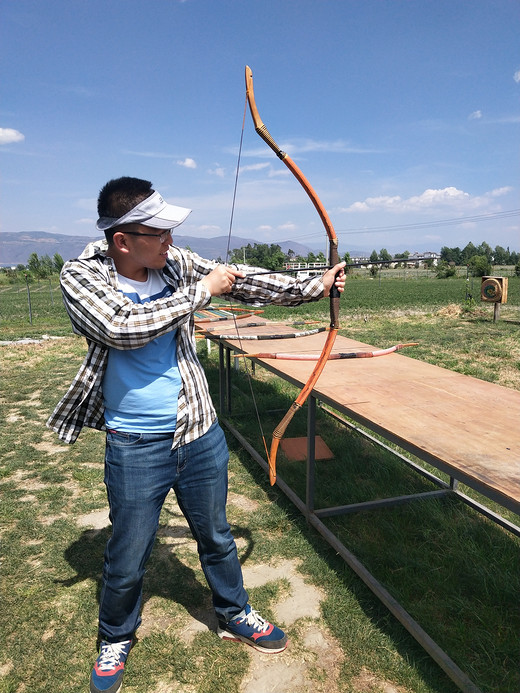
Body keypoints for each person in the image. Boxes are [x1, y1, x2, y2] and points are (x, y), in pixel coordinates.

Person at [47, 176, 346, 693]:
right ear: (123, 239)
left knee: (216, 536)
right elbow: (122, 327)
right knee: (128, 551)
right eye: (159, 232)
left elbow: (240, 279)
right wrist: (199, 295)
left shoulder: (175, 265)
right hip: (135, 442)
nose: (170, 241)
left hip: (199, 432)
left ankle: (235, 613)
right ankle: (115, 636)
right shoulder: (81, 277)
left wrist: (313, 286)